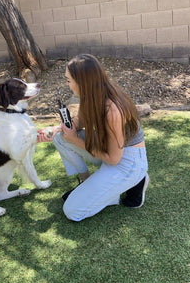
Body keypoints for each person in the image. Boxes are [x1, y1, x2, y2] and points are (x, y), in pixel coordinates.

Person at [37, 54, 149, 222]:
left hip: (128, 161)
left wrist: (75, 139)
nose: (67, 84)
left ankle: (136, 181)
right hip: (111, 149)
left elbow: (113, 159)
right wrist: (54, 129)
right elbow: (79, 122)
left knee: (72, 212)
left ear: (82, 81)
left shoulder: (112, 109)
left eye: (68, 80)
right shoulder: (92, 94)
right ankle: (87, 183)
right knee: (61, 138)